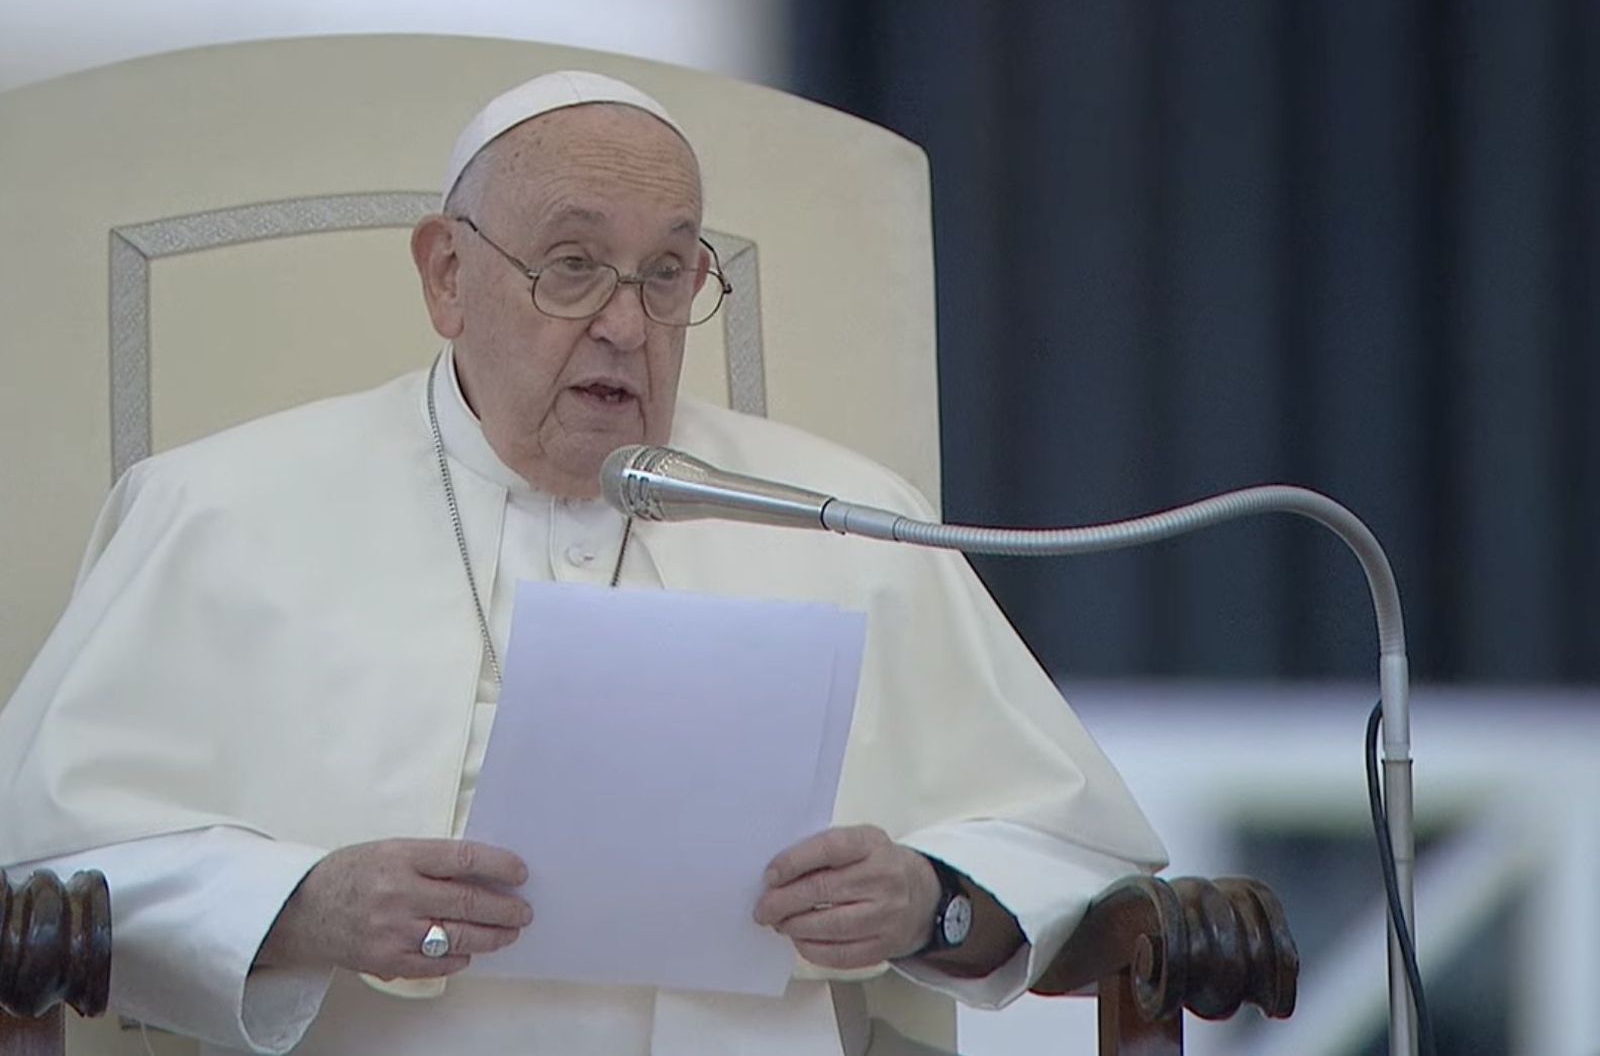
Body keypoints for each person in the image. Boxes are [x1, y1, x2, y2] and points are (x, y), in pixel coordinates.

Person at [0, 71, 1165, 1055]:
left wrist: (929, 899)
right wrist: (301, 907)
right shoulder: (220, 510)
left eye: (667, 275)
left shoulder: (845, 518)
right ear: (447, 277)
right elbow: (44, 869)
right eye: (571, 266)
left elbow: (1070, 845)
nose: (625, 323)